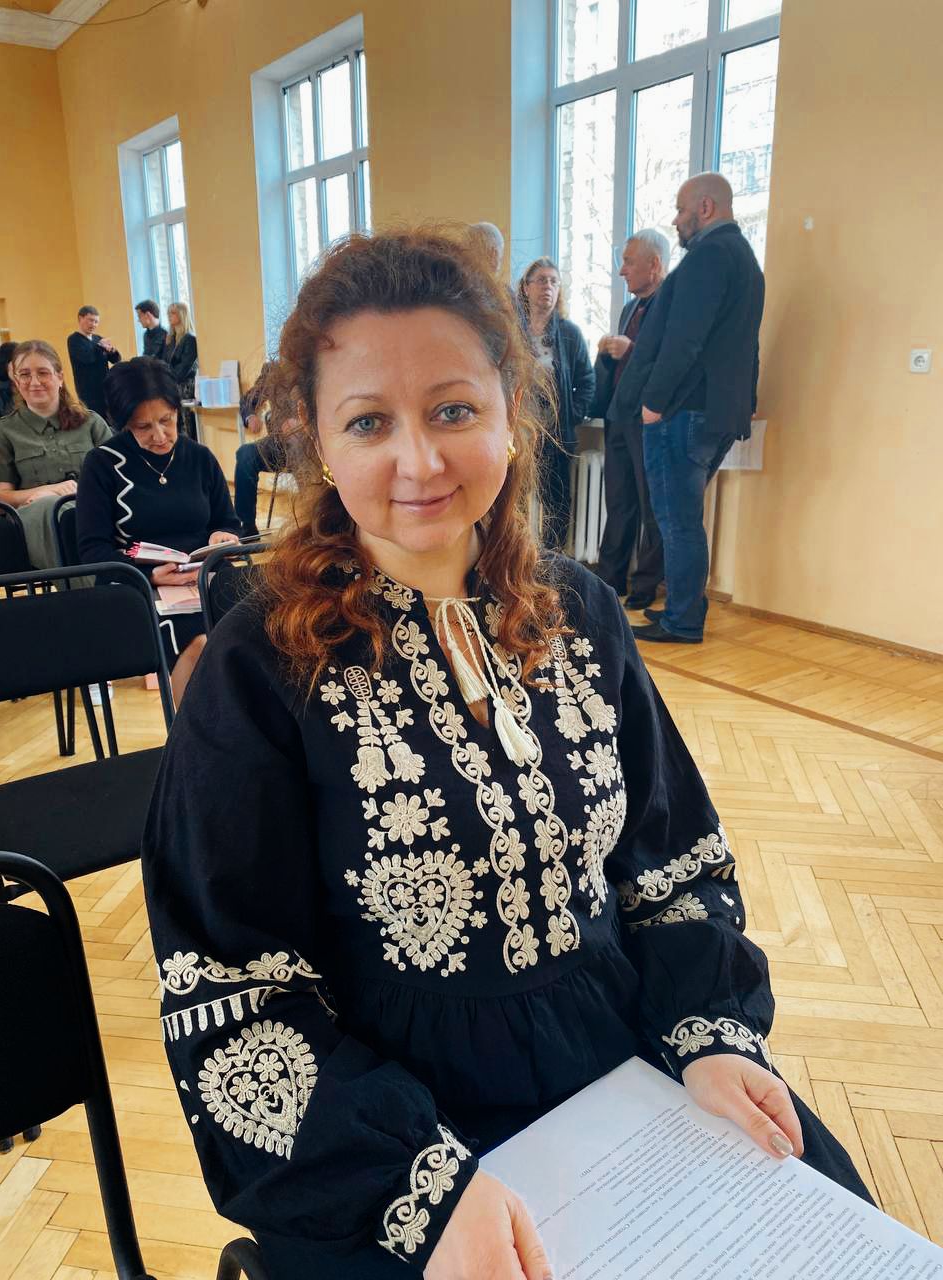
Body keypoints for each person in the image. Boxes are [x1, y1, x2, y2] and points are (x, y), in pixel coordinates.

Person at [141, 228, 871, 1280]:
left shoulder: (584, 613)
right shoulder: (259, 669)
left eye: (452, 410)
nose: (420, 461)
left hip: (627, 1061)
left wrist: (708, 1032)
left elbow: (672, 865)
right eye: (369, 421)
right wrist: (418, 1185)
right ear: (319, 442)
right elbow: (236, 997)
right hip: (393, 1138)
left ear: (511, 408)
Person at [617, 173, 764, 644]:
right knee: (683, 518)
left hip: (683, 411)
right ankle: (685, 608)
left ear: (705, 208)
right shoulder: (744, 259)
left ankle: (682, 620)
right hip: (717, 411)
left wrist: (654, 403)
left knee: (678, 521)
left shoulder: (709, 257)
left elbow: (684, 339)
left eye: (681, 210)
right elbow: (744, 345)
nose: (677, 220)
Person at [76, 356, 241, 705]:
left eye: (167, 420)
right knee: (198, 642)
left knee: (261, 625)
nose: (160, 435)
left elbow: (226, 521)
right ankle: (195, 735)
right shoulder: (102, 464)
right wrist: (150, 575)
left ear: (177, 410)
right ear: (123, 424)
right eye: (143, 427)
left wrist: (222, 536)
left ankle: (251, 731)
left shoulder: (199, 458)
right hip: (138, 585)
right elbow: (93, 552)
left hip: (203, 574)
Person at [591, 230, 669, 609]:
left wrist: (631, 349)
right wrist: (608, 352)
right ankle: (610, 579)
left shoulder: (672, 306)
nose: (622, 271)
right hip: (619, 415)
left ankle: (645, 586)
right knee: (619, 501)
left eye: (628, 262)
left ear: (654, 265)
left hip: (651, 419)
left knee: (651, 505)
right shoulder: (629, 309)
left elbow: (670, 361)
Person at [0, 340, 110, 567]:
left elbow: (119, 479)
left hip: (92, 512)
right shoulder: (4, 431)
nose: (34, 382)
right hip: (36, 523)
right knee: (51, 507)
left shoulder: (91, 422)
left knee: (75, 513)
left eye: (43, 373)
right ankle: (93, 583)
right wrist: (46, 492)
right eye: (25, 375)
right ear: (16, 381)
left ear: (59, 377)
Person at [517, 257, 594, 551]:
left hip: (555, 435)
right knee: (513, 501)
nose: (547, 287)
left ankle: (552, 562)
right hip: (518, 434)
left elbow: (587, 381)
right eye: (541, 280)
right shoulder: (512, 330)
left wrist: (572, 414)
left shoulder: (569, 334)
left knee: (556, 504)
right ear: (526, 288)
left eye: (553, 281)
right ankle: (514, 558)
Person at [233, 360, 284, 537]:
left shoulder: (315, 362)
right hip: (280, 445)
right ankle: (246, 527)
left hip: (311, 445)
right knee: (246, 453)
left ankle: (320, 526)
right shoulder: (273, 370)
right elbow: (248, 400)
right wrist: (250, 416)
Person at [67, 306, 121, 419]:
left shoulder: (98, 338)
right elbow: (88, 358)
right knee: (95, 420)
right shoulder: (74, 340)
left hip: (105, 387)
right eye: (90, 320)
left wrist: (111, 350)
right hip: (88, 391)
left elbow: (116, 359)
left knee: (111, 418)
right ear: (80, 318)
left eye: (96, 322)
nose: (94, 324)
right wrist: (100, 346)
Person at [162, 300, 198, 439]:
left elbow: (184, 368)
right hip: (171, 386)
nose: (169, 316)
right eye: (168, 313)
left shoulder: (190, 339)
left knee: (185, 424)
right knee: (174, 424)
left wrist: (167, 376)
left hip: (185, 387)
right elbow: (164, 363)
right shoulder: (170, 339)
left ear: (182, 315)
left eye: (173, 313)